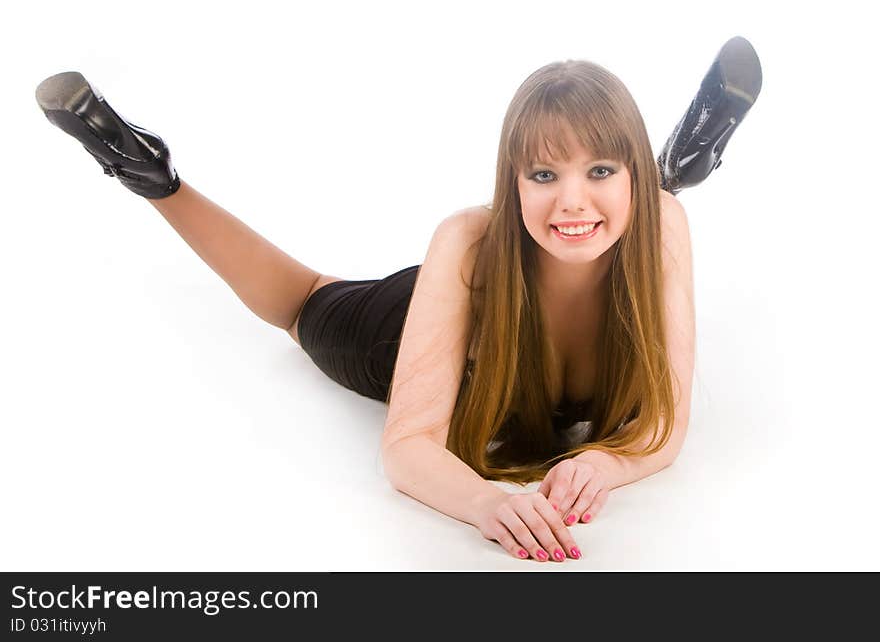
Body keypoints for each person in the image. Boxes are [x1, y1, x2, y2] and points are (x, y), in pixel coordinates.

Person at [34, 37, 762, 563]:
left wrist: (607, 463)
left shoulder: (661, 223)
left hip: (618, 227)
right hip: (439, 320)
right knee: (299, 301)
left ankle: (676, 161)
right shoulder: (468, 245)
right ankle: (147, 172)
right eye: (542, 174)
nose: (571, 198)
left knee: (643, 209)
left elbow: (666, 419)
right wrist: (488, 503)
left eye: (603, 168)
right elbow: (408, 448)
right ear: (511, 183)